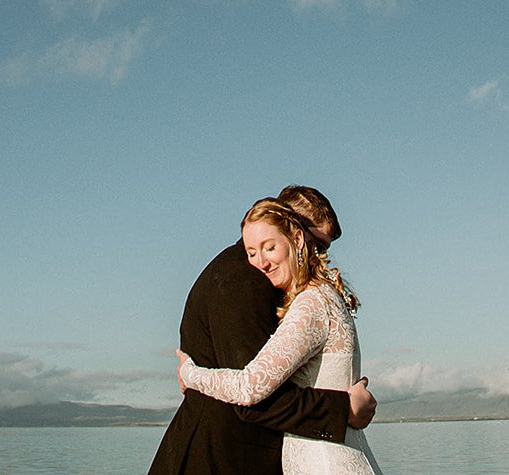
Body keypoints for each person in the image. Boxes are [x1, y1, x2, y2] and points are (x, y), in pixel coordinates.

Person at [147, 185, 376, 475]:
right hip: (218, 459)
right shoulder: (243, 281)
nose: (320, 256)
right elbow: (254, 397)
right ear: (292, 230)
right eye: (317, 244)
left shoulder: (274, 283)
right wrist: (344, 408)